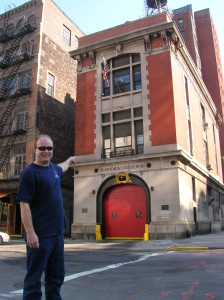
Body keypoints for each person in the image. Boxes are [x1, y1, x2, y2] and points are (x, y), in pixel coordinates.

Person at [16, 134, 75, 300]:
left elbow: (63, 166)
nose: (46, 151)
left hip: (57, 235)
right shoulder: (29, 173)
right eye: (42, 148)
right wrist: (31, 232)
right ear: (35, 149)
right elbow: (24, 204)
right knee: (34, 279)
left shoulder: (54, 170)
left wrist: (70, 161)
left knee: (56, 277)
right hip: (40, 235)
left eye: (49, 148)